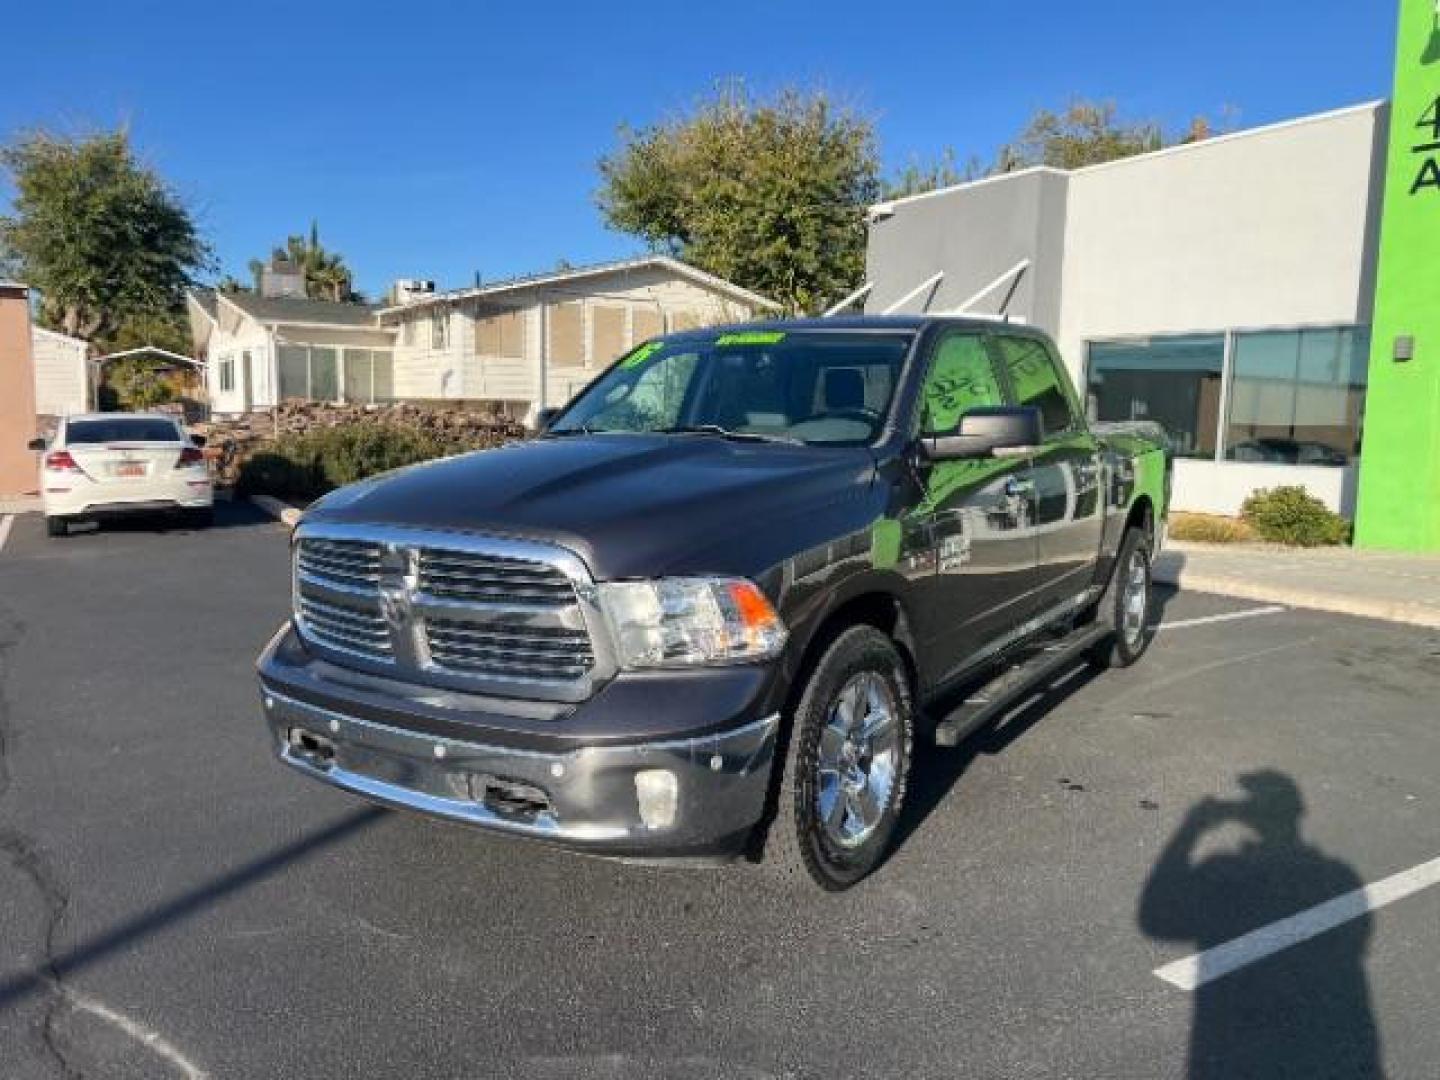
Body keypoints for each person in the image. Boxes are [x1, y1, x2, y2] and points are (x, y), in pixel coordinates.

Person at [1139, 771, 1382, 1078]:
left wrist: (1191, 827)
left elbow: (1156, 919)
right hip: (1339, 1048)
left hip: (1236, 1050)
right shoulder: (1340, 876)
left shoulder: (1227, 870)